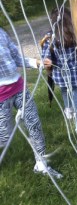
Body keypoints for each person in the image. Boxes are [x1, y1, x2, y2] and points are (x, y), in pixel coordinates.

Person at [0, 27, 63, 179]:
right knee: (4, 136)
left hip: (19, 88)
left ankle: (41, 164)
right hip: (1, 97)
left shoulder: (2, 33)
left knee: (34, 124)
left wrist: (37, 62)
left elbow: (16, 58)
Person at [41, 7, 77, 145]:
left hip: (60, 75)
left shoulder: (49, 37)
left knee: (64, 90)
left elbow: (46, 57)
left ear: (53, 21)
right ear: (70, 19)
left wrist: (48, 62)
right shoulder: (76, 35)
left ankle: (68, 109)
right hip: (75, 74)